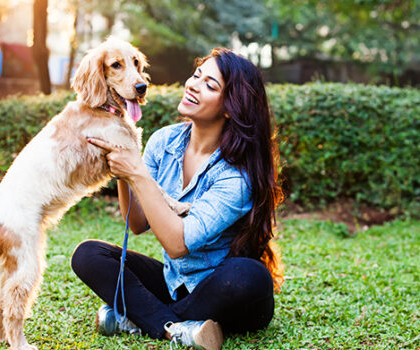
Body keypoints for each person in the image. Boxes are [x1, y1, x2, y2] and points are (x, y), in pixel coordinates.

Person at [71, 47, 284, 350]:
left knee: (249, 274)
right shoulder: (164, 141)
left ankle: (141, 320)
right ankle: (176, 328)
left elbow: (178, 244)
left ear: (230, 107)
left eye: (210, 85)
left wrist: (138, 172)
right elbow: (137, 223)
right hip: (175, 285)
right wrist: (123, 168)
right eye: (197, 75)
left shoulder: (237, 175)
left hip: (226, 292)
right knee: (89, 254)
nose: (194, 85)